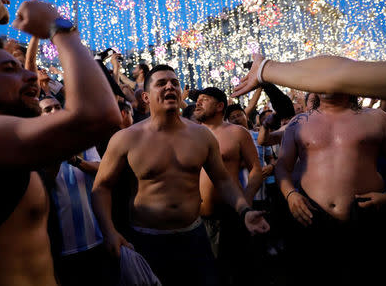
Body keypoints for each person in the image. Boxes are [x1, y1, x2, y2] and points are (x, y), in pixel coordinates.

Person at [0, 0, 121, 286]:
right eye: (9, 69)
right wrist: (58, 27)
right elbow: (98, 114)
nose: (30, 75)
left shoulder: (10, 140)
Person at [91, 65, 269, 286]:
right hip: (147, 240)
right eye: (161, 83)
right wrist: (109, 231)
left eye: (174, 82)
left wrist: (244, 210)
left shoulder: (201, 136)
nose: (170, 86)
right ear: (146, 97)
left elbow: (223, 180)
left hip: (194, 237)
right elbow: (101, 188)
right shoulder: (126, 138)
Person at [275, 93, 386, 286]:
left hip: (367, 216)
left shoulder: (377, 118)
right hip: (311, 215)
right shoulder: (298, 122)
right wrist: (291, 195)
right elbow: (282, 166)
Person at [39, 96, 119, 286]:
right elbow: (44, 183)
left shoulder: (82, 141)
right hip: (61, 248)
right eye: (48, 109)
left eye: (58, 106)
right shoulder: (37, 147)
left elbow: (102, 169)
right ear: (38, 117)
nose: (55, 111)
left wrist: (76, 159)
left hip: (96, 238)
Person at [194, 89, 263, 285]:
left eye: (204, 100)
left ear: (219, 106)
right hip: (196, 219)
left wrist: (245, 203)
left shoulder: (237, 133)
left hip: (232, 216)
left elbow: (256, 170)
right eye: (197, 101)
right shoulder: (190, 133)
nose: (198, 104)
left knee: (236, 273)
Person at [232, 53, 386, 101]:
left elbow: (337, 77)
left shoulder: (376, 120)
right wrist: (265, 68)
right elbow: (340, 74)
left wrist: (265, 69)